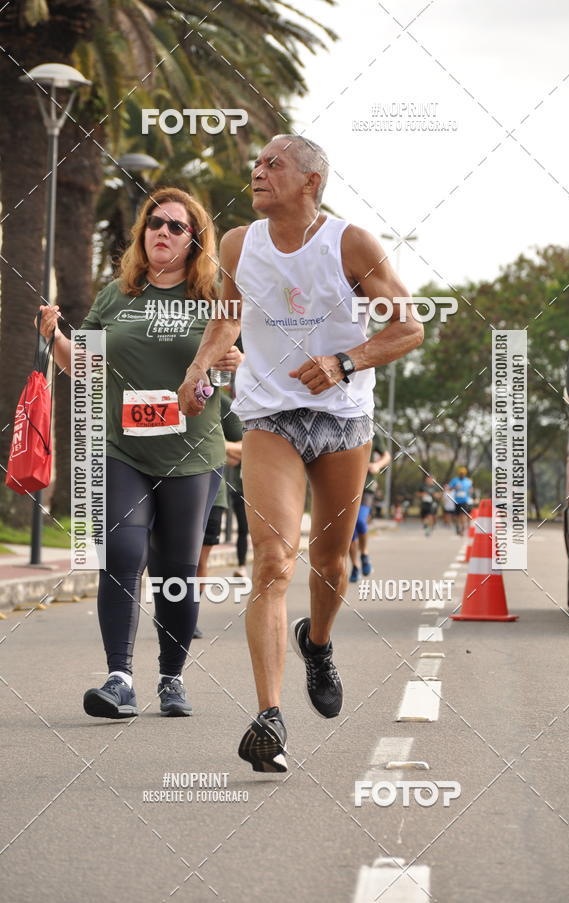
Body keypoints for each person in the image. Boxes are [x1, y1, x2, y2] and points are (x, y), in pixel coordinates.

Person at [178, 135, 423, 772]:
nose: (257, 172)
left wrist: (348, 360)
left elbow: (409, 325)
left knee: (331, 561)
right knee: (272, 562)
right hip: (269, 415)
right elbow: (227, 319)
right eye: (256, 164)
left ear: (311, 181)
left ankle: (317, 644)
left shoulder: (350, 244)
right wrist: (200, 367)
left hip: (343, 419)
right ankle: (270, 716)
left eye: (272, 164)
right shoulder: (238, 243)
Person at [38, 187, 226, 719]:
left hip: (191, 453)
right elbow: (84, 363)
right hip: (121, 447)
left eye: (176, 226)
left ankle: (172, 677)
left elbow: (244, 357)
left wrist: (230, 360)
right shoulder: (117, 295)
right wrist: (54, 338)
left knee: (176, 571)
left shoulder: (213, 298)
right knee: (120, 554)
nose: (162, 232)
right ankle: (120, 678)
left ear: (194, 241)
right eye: (155, 223)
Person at [192, 382, 244, 640]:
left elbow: (244, 449)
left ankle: (187, 615)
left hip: (213, 493)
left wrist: (211, 441)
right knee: (170, 559)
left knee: (198, 561)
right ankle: (167, 609)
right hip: (164, 485)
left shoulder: (220, 402)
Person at [348, 433, 391, 581]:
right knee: (349, 529)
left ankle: (364, 554)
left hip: (367, 485)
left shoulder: (372, 432)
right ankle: (355, 566)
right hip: (346, 486)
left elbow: (387, 456)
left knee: (360, 521)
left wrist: (377, 465)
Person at [449, 466, 474, 535]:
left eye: (463, 473)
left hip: (464, 501)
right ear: (458, 473)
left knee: (463, 515)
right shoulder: (455, 480)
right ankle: (458, 527)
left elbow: (471, 489)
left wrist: (471, 492)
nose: (462, 474)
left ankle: (463, 528)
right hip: (456, 501)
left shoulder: (468, 481)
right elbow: (449, 488)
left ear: (465, 474)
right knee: (456, 516)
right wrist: (454, 487)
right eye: (460, 473)